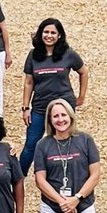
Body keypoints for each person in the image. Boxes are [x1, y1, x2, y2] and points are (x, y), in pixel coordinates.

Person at [18, 18, 88, 173]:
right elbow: (29, 82)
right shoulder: (33, 55)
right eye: (46, 32)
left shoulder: (68, 54)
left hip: (64, 106)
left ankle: (66, 174)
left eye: (53, 33)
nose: (49, 36)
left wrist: (81, 97)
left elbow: (83, 72)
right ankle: (18, 177)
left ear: (59, 35)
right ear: (40, 33)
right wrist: (25, 108)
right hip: (40, 107)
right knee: (31, 144)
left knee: (65, 142)